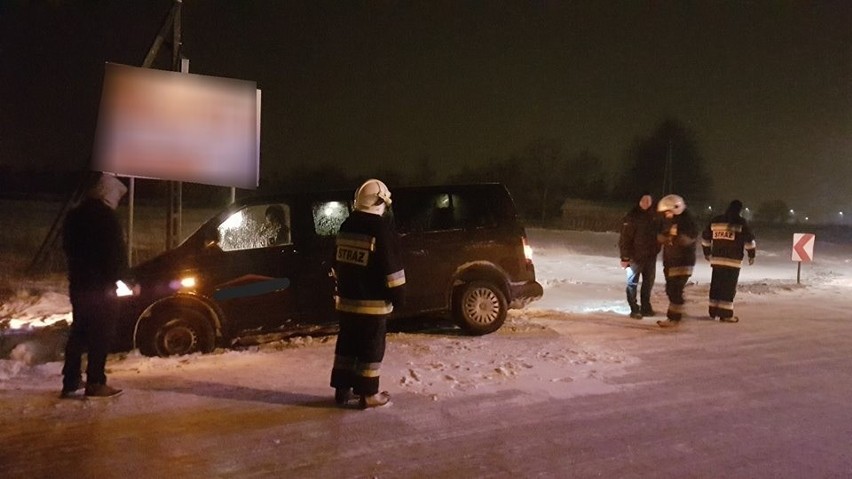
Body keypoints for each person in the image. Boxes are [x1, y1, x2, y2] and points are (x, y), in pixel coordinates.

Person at [329, 179, 406, 409]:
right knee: (371, 350)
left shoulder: (346, 225)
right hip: (372, 306)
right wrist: (399, 297)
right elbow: (391, 269)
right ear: (380, 201)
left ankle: (342, 390)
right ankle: (368, 394)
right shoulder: (381, 229)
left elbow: (337, 262)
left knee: (347, 346)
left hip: (346, 303)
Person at [60, 172, 128, 398]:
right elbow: (115, 255)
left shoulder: (74, 215)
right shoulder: (107, 218)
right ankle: (96, 382)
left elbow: (67, 247)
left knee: (79, 331)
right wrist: (125, 279)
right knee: (101, 335)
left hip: (79, 284)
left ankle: (70, 381)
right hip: (102, 288)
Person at [701, 200, 756, 323]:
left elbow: (705, 237)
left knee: (716, 286)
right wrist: (751, 255)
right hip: (733, 262)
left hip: (717, 261)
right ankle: (725, 314)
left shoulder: (716, 220)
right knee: (728, 288)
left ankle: (713, 312)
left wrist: (707, 252)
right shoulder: (740, 223)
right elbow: (749, 242)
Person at [655, 194, 698, 328]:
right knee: (671, 290)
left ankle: (674, 318)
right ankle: (677, 312)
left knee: (675, 290)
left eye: (668, 211)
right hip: (670, 261)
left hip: (682, 262)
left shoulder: (687, 223)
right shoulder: (672, 222)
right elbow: (662, 236)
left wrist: (675, 238)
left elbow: (687, 239)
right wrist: (664, 237)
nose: (666, 215)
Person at [618, 192, 661, 319]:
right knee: (632, 284)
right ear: (639, 201)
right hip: (634, 257)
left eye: (649, 200)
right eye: (644, 200)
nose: (646, 203)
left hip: (650, 257)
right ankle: (634, 308)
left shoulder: (655, 216)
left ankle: (646, 307)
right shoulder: (632, 216)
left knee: (648, 283)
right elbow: (625, 238)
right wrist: (625, 257)